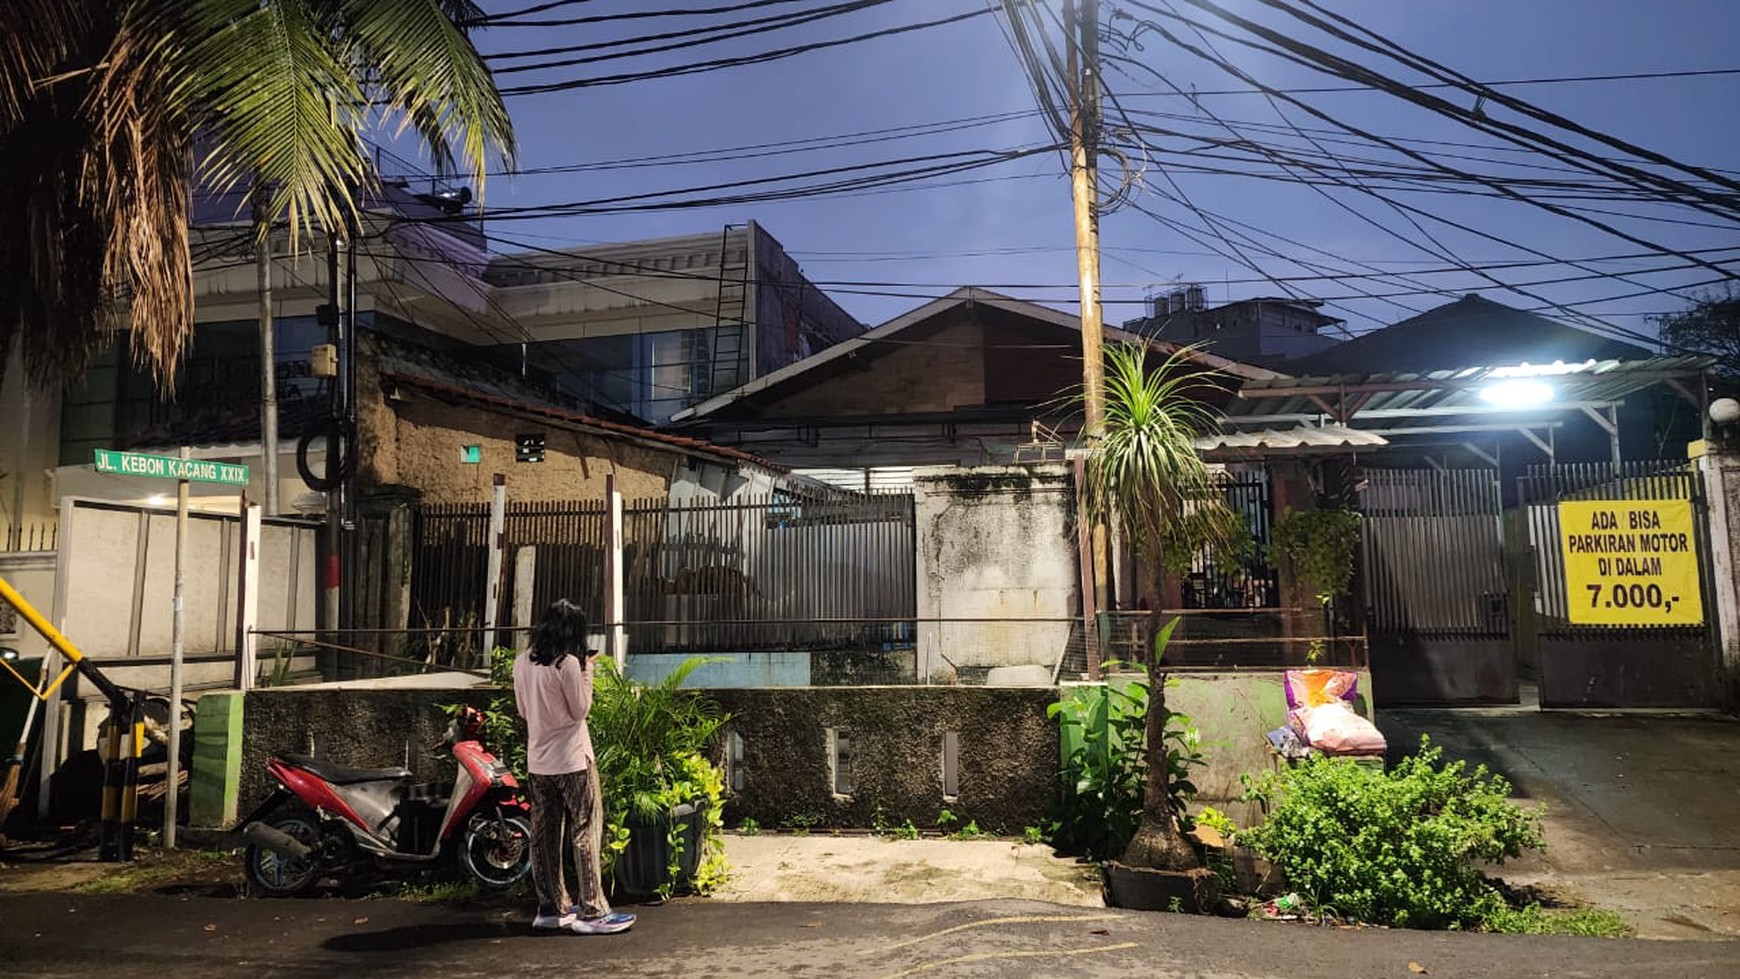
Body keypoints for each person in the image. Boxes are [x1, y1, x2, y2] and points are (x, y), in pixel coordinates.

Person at [512, 599, 635, 935]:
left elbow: (524, 711)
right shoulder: (566, 664)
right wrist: (587, 671)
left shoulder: (522, 662)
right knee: (585, 828)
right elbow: (580, 710)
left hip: (539, 762)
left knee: (544, 834)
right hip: (572, 759)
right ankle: (593, 910)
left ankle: (551, 907)